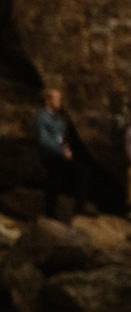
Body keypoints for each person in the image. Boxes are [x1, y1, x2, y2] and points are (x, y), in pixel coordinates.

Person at [31, 85, 81, 219]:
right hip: (49, 156)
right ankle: (50, 213)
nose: (59, 102)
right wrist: (62, 152)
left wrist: (66, 148)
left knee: (81, 171)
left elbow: (61, 137)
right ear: (48, 101)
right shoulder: (42, 117)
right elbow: (44, 140)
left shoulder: (58, 118)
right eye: (57, 99)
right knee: (56, 176)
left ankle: (76, 209)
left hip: (59, 154)